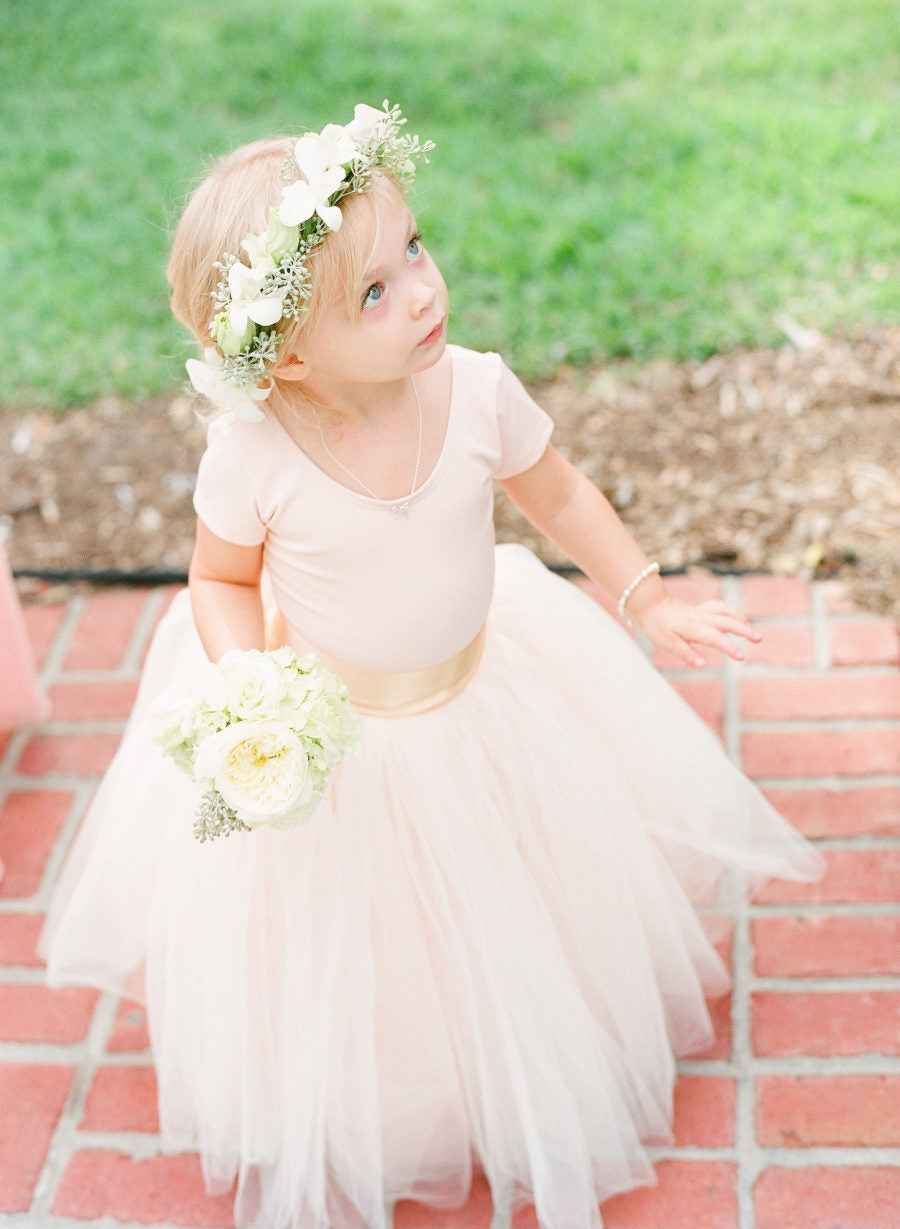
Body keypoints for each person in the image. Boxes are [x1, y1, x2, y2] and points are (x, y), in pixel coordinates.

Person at [42, 103, 821, 1229]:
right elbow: (218, 579)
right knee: (358, 936)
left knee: (507, 890)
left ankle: (517, 1056)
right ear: (291, 352)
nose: (419, 288)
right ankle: (394, 1090)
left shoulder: (474, 388)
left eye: (413, 246)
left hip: (483, 693)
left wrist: (644, 595)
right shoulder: (255, 452)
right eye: (374, 289)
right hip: (343, 726)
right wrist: (248, 684)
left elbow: (553, 491)